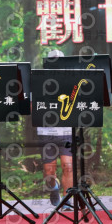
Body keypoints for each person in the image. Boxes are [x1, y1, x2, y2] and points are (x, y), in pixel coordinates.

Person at [38, 50, 73, 206]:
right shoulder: (39, 81)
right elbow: (32, 106)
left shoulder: (71, 81)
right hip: (46, 132)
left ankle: (66, 201)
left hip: (66, 132)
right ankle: (54, 188)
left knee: (68, 166)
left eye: (59, 61)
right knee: (49, 170)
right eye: (53, 60)